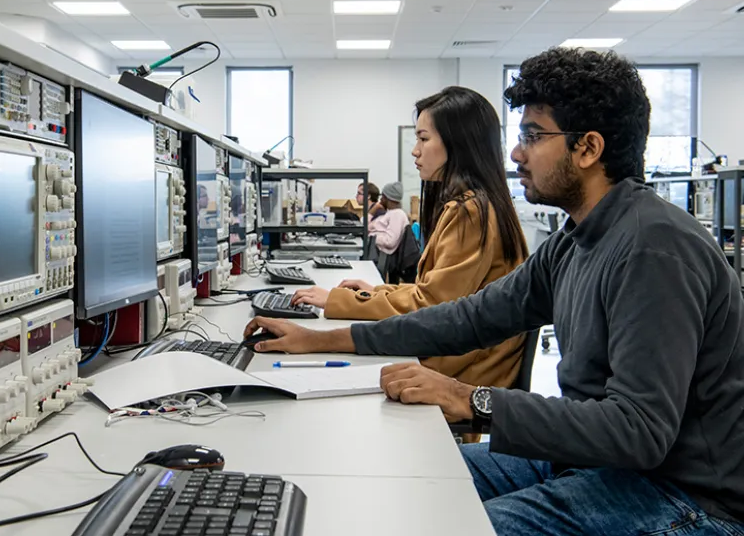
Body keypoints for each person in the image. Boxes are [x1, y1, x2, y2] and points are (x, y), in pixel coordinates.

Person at [244, 47, 744, 535]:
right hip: (593, 462)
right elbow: (469, 317)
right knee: (403, 477)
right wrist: (324, 339)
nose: (516, 152)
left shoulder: (652, 249)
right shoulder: (576, 239)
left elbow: (639, 431)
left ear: (588, 148)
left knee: (447, 524)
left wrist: (473, 399)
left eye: (533, 135)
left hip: (680, 493)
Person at [291, 86, 528, 393]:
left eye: (424, 138)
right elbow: (435, 292)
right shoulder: (478, 204)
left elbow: (433, 308)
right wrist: (375, 292)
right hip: (459, 362)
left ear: (457, 144)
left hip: (456, 374)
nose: (415, 150)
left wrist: (337, 301)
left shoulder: (471, 212)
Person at [366, 181, 410, 255]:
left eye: (382, 196)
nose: (380, 199)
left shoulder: (397, 214)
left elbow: (389, 241)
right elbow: (363, 226)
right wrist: (374, 209)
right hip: (373, 252)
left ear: (387, 198)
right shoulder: (388, 213)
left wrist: (371, 237)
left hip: (379, 257)